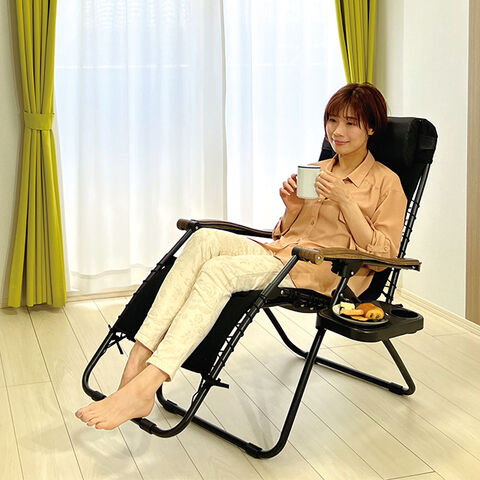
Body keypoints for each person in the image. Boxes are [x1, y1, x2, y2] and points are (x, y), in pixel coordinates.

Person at [76, 82, 407, 430]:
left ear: (371, 128)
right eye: (333, 120)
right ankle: (135, 365)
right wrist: (292, 207)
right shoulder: (317, 169)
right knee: (204, 239)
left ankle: (147, 385)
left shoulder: (386, 183)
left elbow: (382, 256)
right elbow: (284, 234)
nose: (337, 131)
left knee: (219, 271)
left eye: (351, 123)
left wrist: (345, 200)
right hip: (281, 253)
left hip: (322, 272)